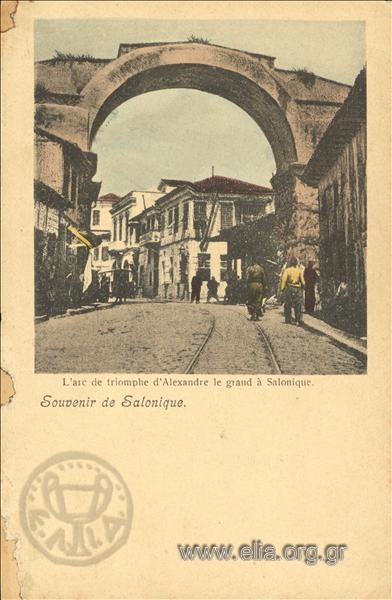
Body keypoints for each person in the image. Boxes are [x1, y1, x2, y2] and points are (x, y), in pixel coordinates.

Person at [280, 257, 305, 325]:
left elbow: (284, 280)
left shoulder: (287, 270)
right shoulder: (299, 271)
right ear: (296, 263)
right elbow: (302, 281)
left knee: (288, 304)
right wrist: (303, 287)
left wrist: (282, 289)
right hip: (297, 289)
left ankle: (288, 319)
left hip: (289, 288)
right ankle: (298, 319)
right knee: (298, 305)